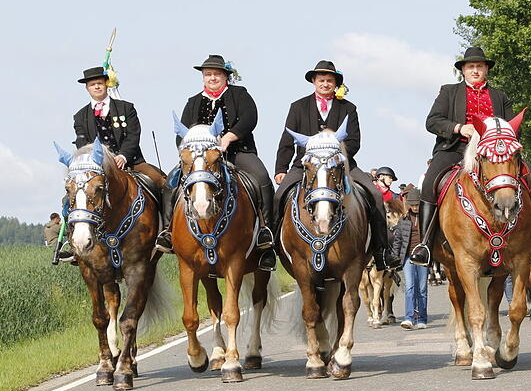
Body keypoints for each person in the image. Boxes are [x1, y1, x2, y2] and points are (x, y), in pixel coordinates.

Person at [408, 46, 531, 266]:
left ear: (486, 70)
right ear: (463, 70)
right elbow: (432, 121)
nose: (475, 70)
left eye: (480, 66)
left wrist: (499, 136)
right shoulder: (448, 92)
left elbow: (514, 128)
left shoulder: (500, 96)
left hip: (492, 154)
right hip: (455, 150)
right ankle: (425, 243)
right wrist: (457, 128)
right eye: (471, 66)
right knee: (430, 182)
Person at [274, 60, 400, 271]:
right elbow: (287, 140)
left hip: (341, 164)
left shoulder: (348, 108)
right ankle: (271, 246)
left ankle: (381, 251)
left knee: (375, 194)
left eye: (329, 80)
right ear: (314, 81)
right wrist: (280, 168)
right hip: (306, 164)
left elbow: (354, 141)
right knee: (278, 196)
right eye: (321, 80)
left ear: (335, 83)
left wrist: (337, 155)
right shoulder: (297, 107)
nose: (325, 84)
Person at [156, 54, 277, 271]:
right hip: (201, 160)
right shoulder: (193, 102)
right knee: (169, 185)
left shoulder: (239, 94)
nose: (212, 78)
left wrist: (229, 138)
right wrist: (187, 151)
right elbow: (181, 133)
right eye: (208, 74)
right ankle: (167, 232)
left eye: (217, 74)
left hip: (237, 152)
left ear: (225, 76)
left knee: (262, 178)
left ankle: (265, 233)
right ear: (203, 77)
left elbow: (250, 118)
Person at [64, 66, 166, 261]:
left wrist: (123, 156)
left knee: (162, 181)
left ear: (106, 85)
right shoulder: (80, 116)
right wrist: (103, 162)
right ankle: (70, 241)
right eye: (92, 85)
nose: (97, 87)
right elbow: (82, 144)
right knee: (70, 194)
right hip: (96, 169)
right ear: (87, 88)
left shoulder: (126, 108)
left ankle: (168, 232)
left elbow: (133, 135)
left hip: (131, 162)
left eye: (100, 84)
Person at [393, 188, 428, 329]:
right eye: (412, 205)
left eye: (417, 204)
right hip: (408, 257)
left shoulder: (427, 218)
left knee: (422, 288)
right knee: (409, 287)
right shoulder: (404, 220)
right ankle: (408, 318)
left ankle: (422, 319)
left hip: (423, 257)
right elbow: (398, 240)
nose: (414, 207)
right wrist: (395, 258)